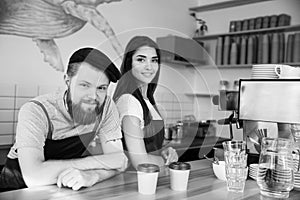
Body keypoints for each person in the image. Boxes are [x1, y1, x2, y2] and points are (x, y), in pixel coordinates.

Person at [0, 47, 128, 192]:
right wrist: (99, 162)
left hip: (63, 188)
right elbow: (33, 177)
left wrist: (93, 175)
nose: (93, 96)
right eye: (84, 85)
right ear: (67, 80)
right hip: (16, 189)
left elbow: (119, 162)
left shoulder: (106, 107)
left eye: (101, 88)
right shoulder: (36, 110)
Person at [113, 36, 178, 170]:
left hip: (151, 178)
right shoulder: (129, 101)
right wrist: (166, 161)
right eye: (141, 59)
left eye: (154, 60)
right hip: (135, 182)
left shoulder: (147, 99)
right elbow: (140, 162)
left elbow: (150, 147)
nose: (149, 66)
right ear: (129, 63)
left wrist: (165, 152)